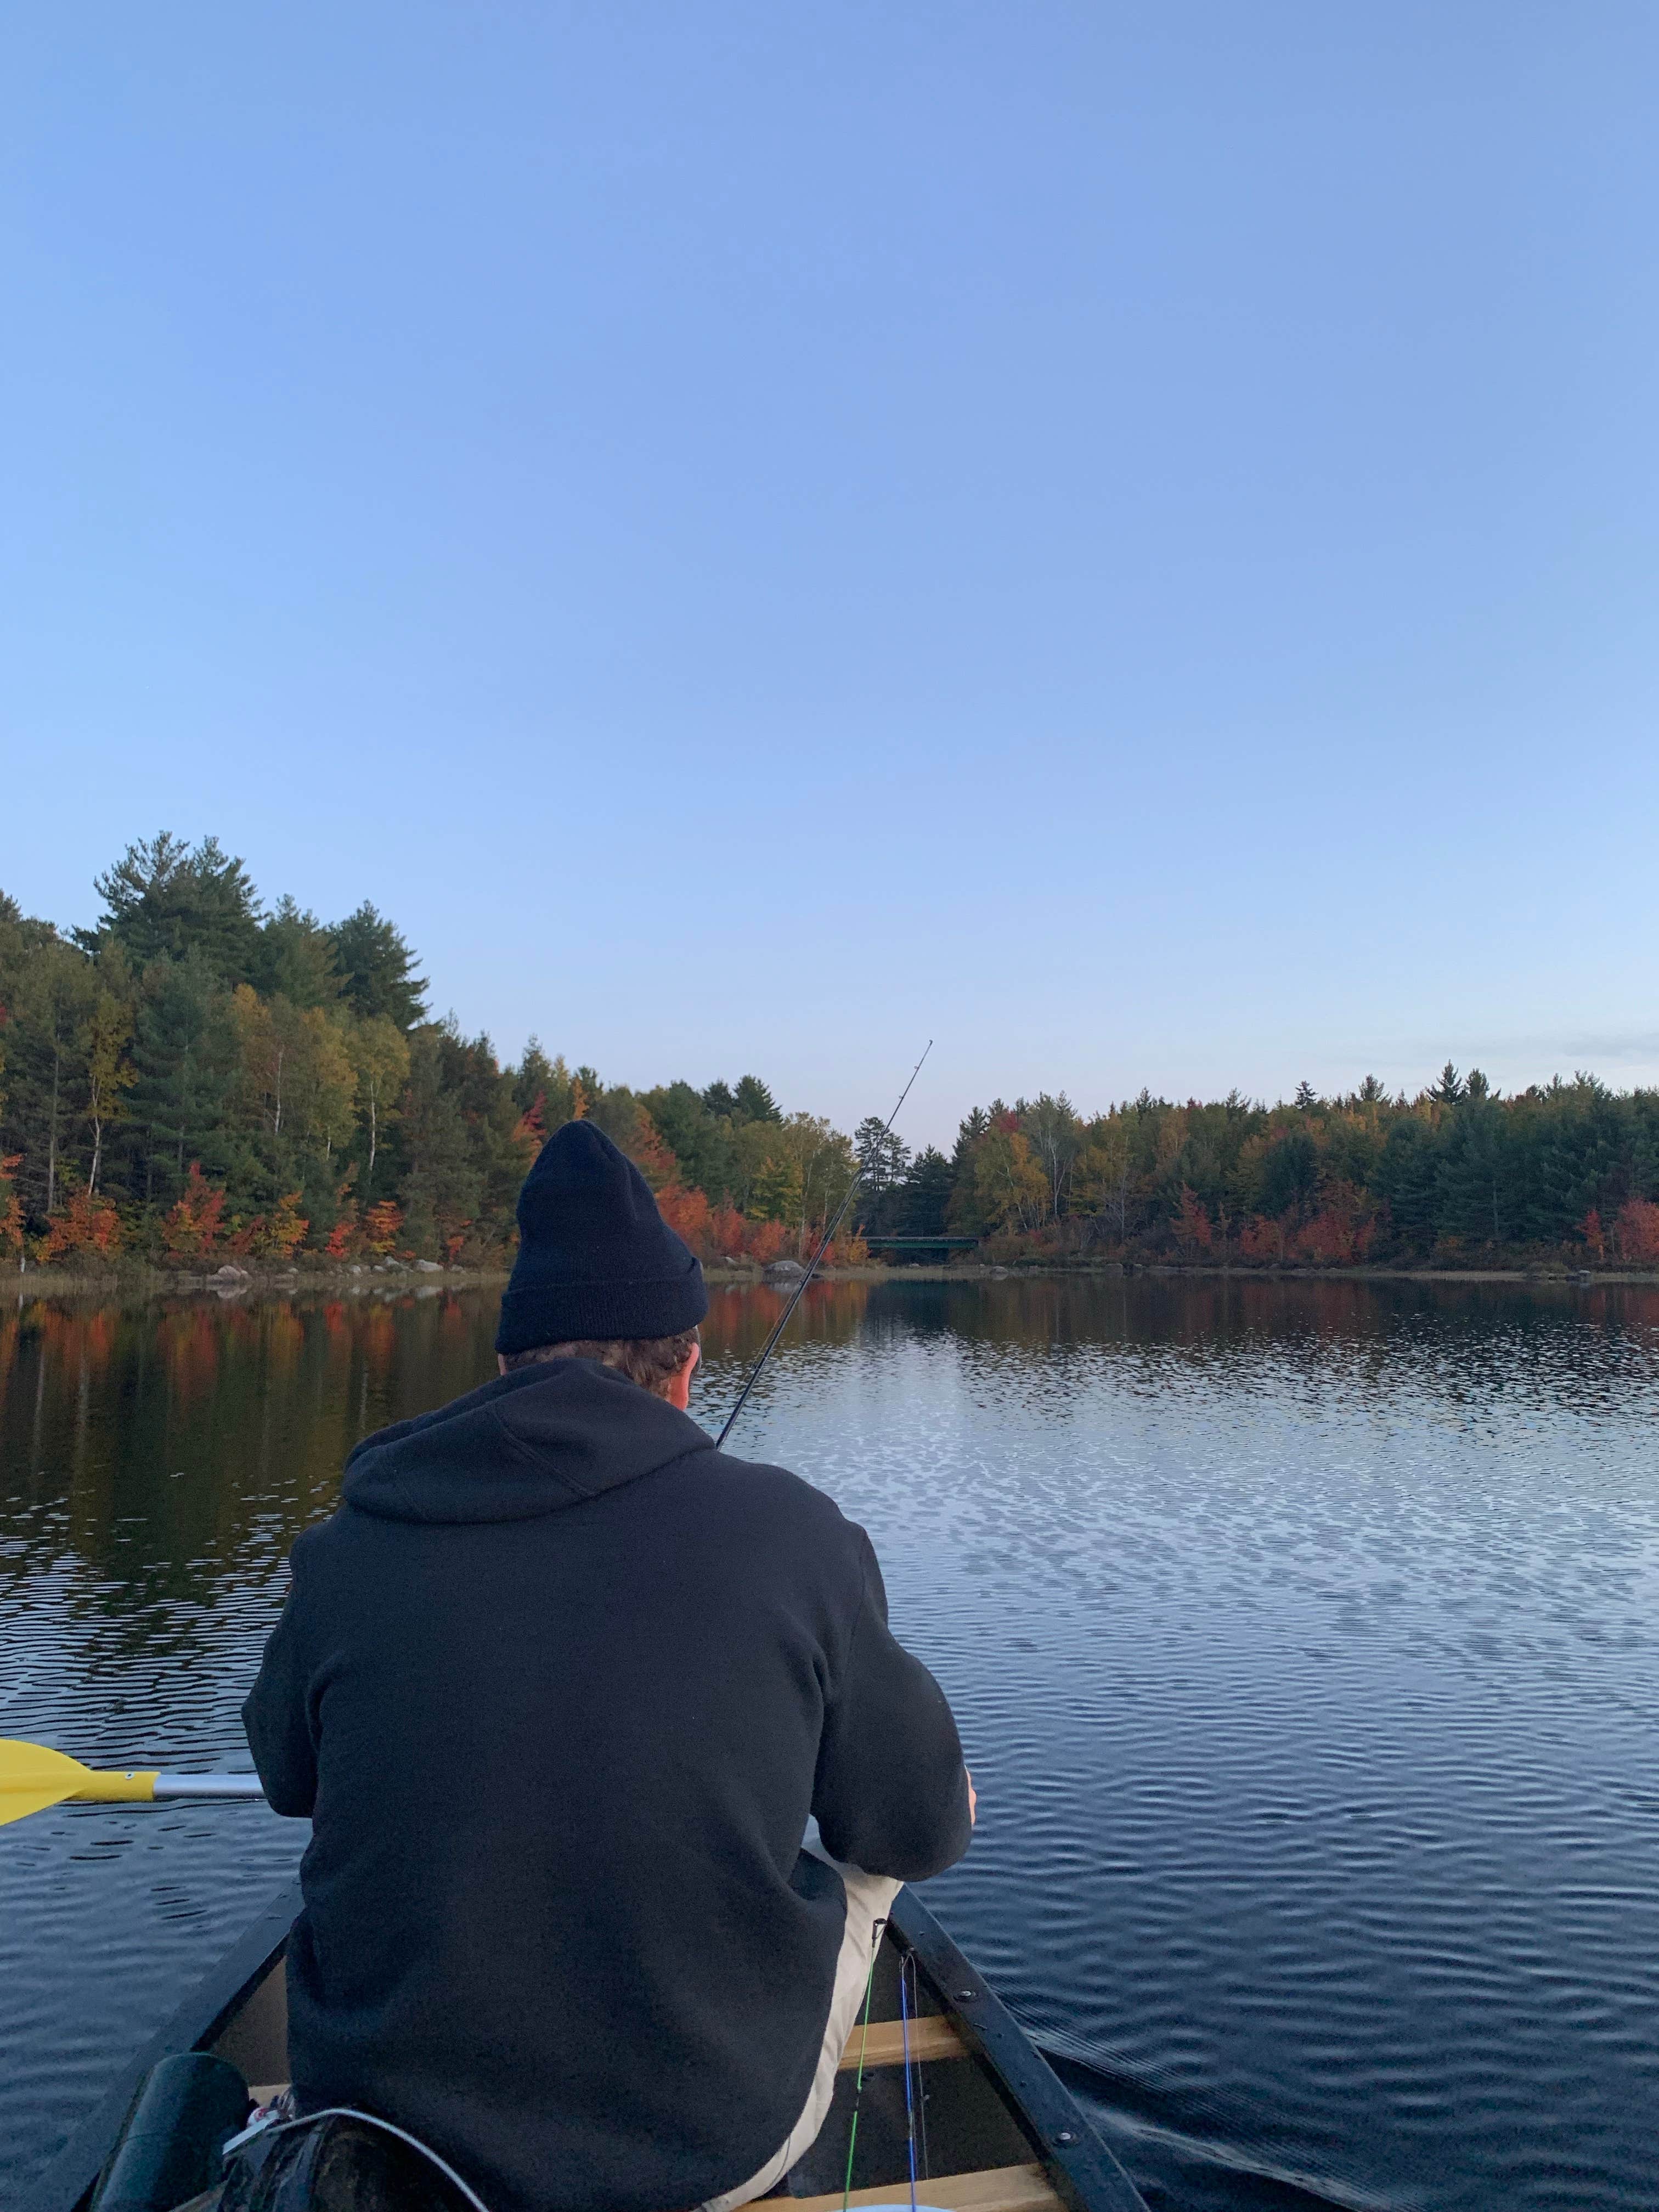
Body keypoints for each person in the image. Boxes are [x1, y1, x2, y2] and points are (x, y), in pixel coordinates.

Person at [243, 1120, 974, 2212]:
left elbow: (285, 1778)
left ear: (504, 1363)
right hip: (703, 2153)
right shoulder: (797, 1536)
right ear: (684, 1366)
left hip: (394, 2144)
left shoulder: (346, 1549)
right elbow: (917, 1832)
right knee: (900, 1830)